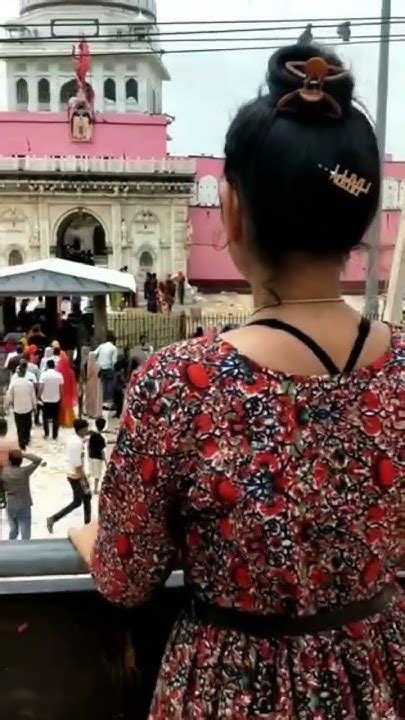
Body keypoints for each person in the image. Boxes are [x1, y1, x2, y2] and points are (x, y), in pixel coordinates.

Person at [69, 45, 403, 719]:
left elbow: (125, 578)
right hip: (377, 678)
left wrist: (90, 540)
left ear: (232, 212)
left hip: (231, 690)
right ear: (362, 220)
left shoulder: (181, 385)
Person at [47, 418, 91, 534]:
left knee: (85, 498)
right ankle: (53, 518)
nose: (87, 430)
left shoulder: (74, 439)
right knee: (81, 500)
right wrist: (83, 478)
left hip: (74, 474)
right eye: (86, 428)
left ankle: (88, 523)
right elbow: (77, 462)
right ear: (81, 430)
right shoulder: (77, 443)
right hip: (77, 476)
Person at [3, 449, 42, 541]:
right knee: (25, 533)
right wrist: (24, 454)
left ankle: (11, 547)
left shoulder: (4, 472)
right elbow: (38, 460)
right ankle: (26, 548)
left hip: (11, 504)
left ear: (9, 461)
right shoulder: (24, 471)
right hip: (24, 504)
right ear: (21, 461)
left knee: (13, 530)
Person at [6, 361, 36, 450]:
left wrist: (7, 405)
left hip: (17, 408)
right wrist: (35, 407)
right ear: (24, 373)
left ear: (18, 374)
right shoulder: (29, 384)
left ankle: (21, 443)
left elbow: (9, 395)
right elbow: (33, 396)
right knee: (27, 425)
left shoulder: (13, 384)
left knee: (19, 426)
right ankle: (26, 439)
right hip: (28, 408)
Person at [39, 359, 64, 440]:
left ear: (47, 366)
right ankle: (54, 435)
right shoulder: (59, 375)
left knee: (45, 417)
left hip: (45, 399)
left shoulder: (43, 375)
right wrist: (62, 398)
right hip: (56, 400)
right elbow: (61, 388)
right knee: (55, 418)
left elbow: (41, 387)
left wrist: (38, 396)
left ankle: (46, 433)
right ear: (54, 366)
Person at [94, 331, 118, 406]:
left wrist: (97, 362)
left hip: (100, 368)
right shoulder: (114, 348)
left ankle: (102, 400)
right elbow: (114, 361)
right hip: (109, 368)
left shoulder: (101, 346)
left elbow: (94, 354)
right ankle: (108, 400)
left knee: (103, 384)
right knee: (110, 384)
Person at [58, 352, 78, 429]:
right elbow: (73, 383)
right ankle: (68, 421)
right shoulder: (71, 372)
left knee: (61, 405)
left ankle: (61, 420)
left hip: (61, 391)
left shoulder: (58, 371)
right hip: (69, 391)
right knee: (68, 406)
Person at [88, 417, 107, 495]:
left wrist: (89, 455)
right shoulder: (101, 439)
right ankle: (95, 489)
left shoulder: (92, 436)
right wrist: (106, 462)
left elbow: (88, 446)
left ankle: (89, 487)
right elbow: (102, 451)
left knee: (92, 472)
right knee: (97, 476)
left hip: (91, 456)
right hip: (98, 459)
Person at [85, 351, 103, 418]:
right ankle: (97, 412)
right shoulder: (99, 364)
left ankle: (91, 412)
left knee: (91, 397)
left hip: (91, 382)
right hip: (98, 382)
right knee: (97, 397)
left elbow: (88, 375)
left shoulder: (90, 364)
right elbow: (100, 374)